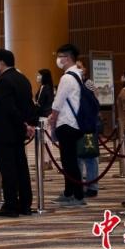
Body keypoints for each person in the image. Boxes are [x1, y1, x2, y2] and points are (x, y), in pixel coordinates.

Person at [0, 50, 34, 217]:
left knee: (8, 169)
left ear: (2, 62)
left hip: (4, 130)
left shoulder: (4, 80)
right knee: (21, 167)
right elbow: (27, 105)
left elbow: (8, 107)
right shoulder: (23, 78)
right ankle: (25, 204)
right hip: (18, 131)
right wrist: (26, 124)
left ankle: (11, 205)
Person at [48, 44, 87, 207]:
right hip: (75, 123)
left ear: (68, 58)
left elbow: (58, 102)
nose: (58, 59)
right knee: (69, 160)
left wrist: (53, 119)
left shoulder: (67, 78)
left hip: (67, 123)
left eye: (60, 56)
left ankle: (77, 196)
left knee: (69, 162)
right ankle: (69, 192)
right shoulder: (78, 75)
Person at [75, 60, 99, 198]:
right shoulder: (73, 82)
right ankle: (80, 185)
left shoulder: (88, 83)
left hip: (87, 124)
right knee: (78, 157)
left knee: (90, 156)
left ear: (84, 69)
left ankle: (92, 186)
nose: (78, 69)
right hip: (77, 124)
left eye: (80, 66)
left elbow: (95, 102)